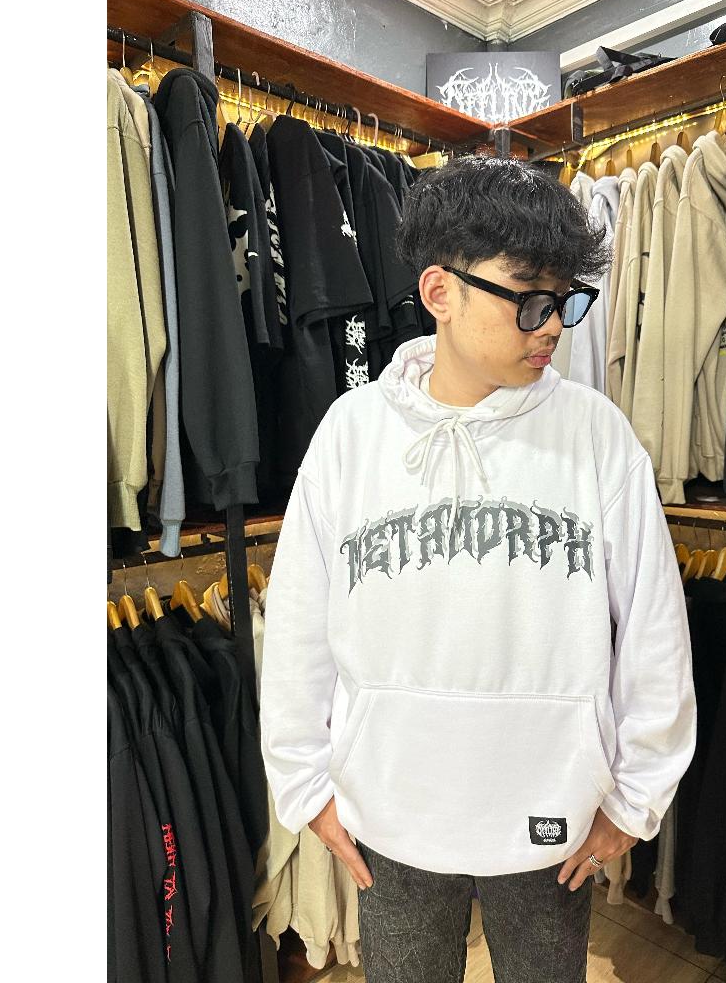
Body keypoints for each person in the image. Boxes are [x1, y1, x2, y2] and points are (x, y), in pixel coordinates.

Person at [260, 156, 697, 983]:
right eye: (529, 299)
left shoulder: (595, 435)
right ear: (440, 292)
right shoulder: (352, 434)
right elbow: (297, 629)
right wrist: (306, 785)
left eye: (564, 300)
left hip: (552, 814)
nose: (553, 327)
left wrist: (635, 800)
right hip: (391, 812)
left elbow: (653, 629)